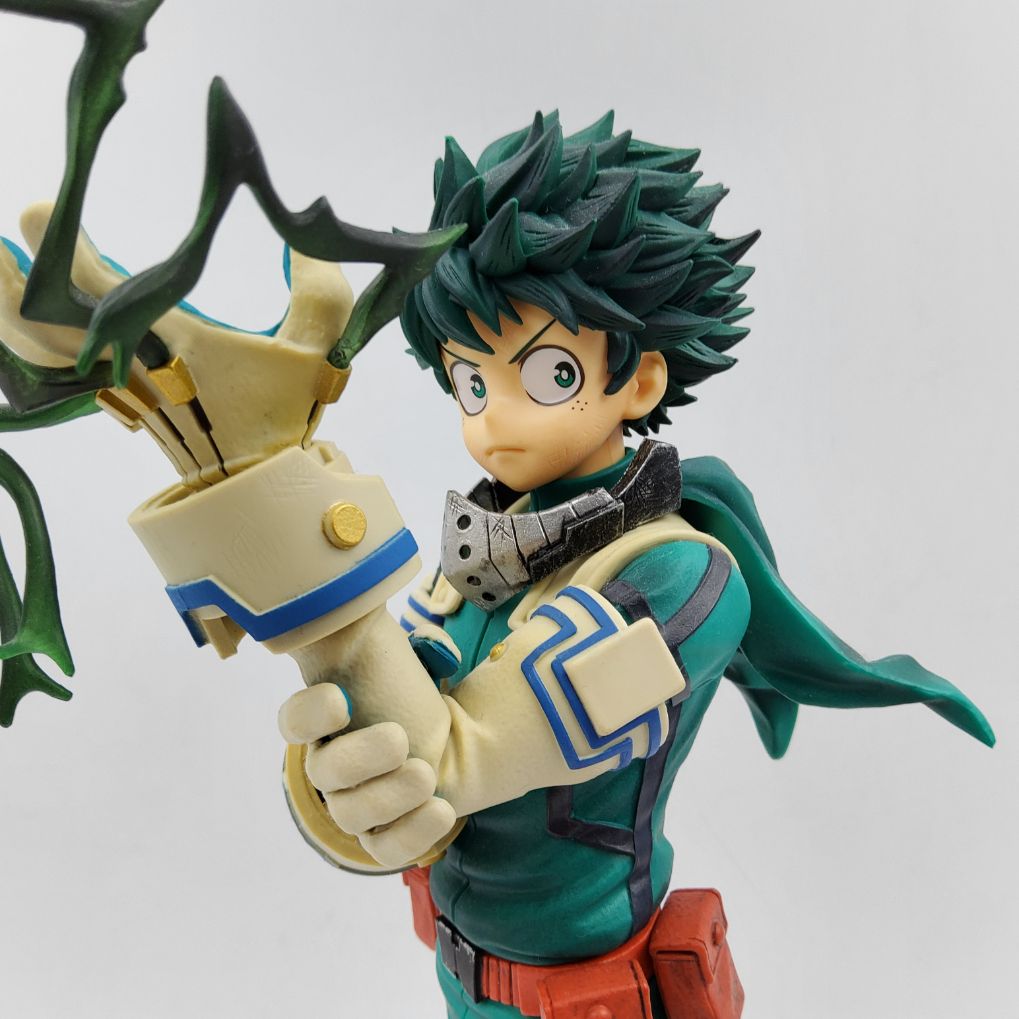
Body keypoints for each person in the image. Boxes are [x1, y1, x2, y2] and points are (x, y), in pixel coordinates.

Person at [0, 108, 994, 1018]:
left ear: (639, 376)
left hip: (592, 997)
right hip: (461, 975)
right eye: (470, 382)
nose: (493, 419)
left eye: (547, 374)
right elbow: (403, 741)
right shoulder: (481, 550)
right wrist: (340, 795)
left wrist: (262, 474)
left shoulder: (680, 583)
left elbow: (458, 752)